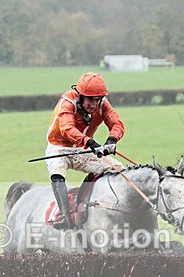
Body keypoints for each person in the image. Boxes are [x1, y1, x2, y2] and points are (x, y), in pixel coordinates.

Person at [45, 71, 125, 230]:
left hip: (83, 149)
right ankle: (65, 216)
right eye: (90, 99)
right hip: (59, 148)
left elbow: (117, 124)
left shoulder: (103, 104)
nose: (94, 105)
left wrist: (112, 139)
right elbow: (67, 128)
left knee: (119, 170)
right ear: (80, 95)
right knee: (57, 173)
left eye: (98, 100)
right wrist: (90, 142)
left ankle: (96, 204)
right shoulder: (67, 102)